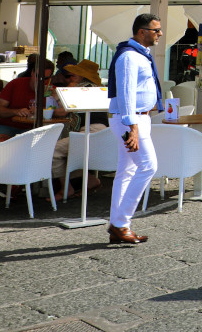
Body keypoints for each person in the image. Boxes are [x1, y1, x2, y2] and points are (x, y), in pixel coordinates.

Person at [107, 13, 165, 245]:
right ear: (142, 32)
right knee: (148, 166)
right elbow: (126, 93)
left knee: (127, 170)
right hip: (130, 120)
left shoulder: (140, 55)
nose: (160, 34)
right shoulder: (130, 57)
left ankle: (117, 225)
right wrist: (132, 127)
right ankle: (121, 223)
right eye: (156, 30)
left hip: (138, 119)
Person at [51, 59, 109, 199]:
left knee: (54, 151)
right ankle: (91, 181)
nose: (70, 77)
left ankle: (66, 189)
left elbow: (63, 111)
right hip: (102, 132)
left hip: (91, 130)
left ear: (83, 76)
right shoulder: (95, 87)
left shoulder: (82, 89)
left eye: (74, 75)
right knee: (71, 153)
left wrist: (47, 109)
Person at [0, 57, 55, 137]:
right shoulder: (15, 84)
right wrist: (16, 111)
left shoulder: (51, 91)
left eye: (45, 78)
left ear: (50, 78)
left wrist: (41, 111)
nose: (41, 81)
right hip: (9, 126)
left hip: (34, 129)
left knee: (41, 144)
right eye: (38, 76)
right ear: (32, 72)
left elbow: (62, 112)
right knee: (3, 143)